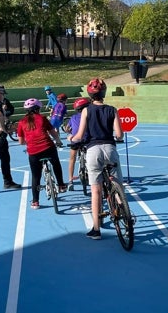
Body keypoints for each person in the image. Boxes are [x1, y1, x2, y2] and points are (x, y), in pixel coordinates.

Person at [70, 78, 124, 240]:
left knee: (96, 190)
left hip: (93, 151)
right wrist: (116, 137)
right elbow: (119, 135)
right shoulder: (112, 110)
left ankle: (96, 229)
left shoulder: (86, 110)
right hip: (110, 148)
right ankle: (123, 212)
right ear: (104, 93)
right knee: (117, 184)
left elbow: (80, 135)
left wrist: (72, 138)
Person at [17, 98, 67, 209]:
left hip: (33, 151)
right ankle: (61, 185)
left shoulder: (21, 122)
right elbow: (53, 133)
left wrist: (29, 142)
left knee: (36, 176)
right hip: (48, 147)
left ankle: (35, 201)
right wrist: (58, 141)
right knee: (56, 164)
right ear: (37, 109)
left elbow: (21, 142)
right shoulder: (42, 118)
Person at [65, 97, 90, 191]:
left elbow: (67, 128)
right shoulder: (90, 116)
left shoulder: (73, 117)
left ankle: (70, 180)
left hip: (75, 140)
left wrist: (69, 132)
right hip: (87, 140)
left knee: (72, 158)